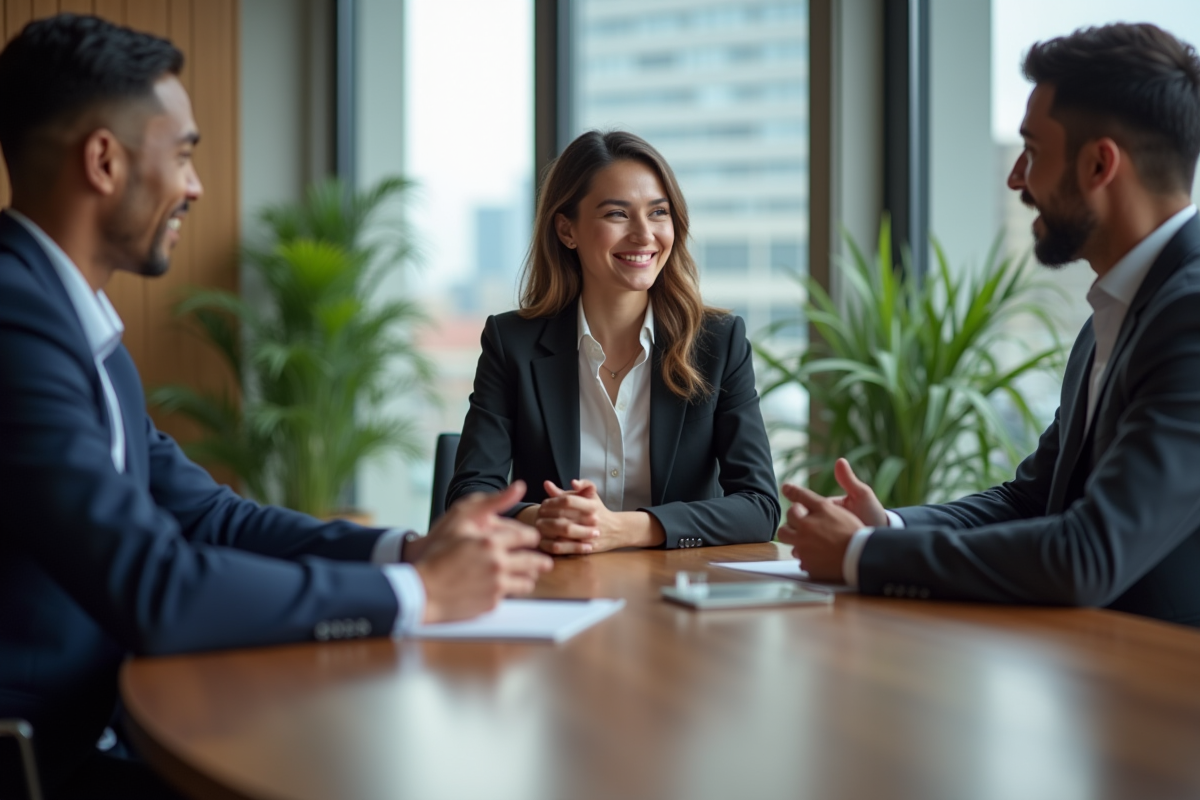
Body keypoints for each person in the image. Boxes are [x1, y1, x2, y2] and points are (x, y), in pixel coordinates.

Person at [0, 14, 552, 798]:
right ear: (104, 160)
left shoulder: (74, 324)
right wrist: (419, 596)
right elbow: (159, 589)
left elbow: (208, 517)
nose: (194, 186)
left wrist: (404, 552)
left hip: (98, 726)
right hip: (43, 758)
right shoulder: (16, 320)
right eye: (183, 155)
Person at [779, 23, 1200, 627]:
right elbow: (1031, 499)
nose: (1015, 178)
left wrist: (863, 554)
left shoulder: (1188, 315)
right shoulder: (1117, 315)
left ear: (1100, 164)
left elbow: (1088, 553)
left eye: (1032, 151)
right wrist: (888, 525)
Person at [447, 131, 780, 554]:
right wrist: (544, 519)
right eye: (618, 215)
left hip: (678, 597)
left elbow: (760, 507)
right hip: (556, 589)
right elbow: (468, 497)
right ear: (567, 230)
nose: (644, 235)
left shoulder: (718, 342)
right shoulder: (512, 343)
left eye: (658, 212)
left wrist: (629, 528)